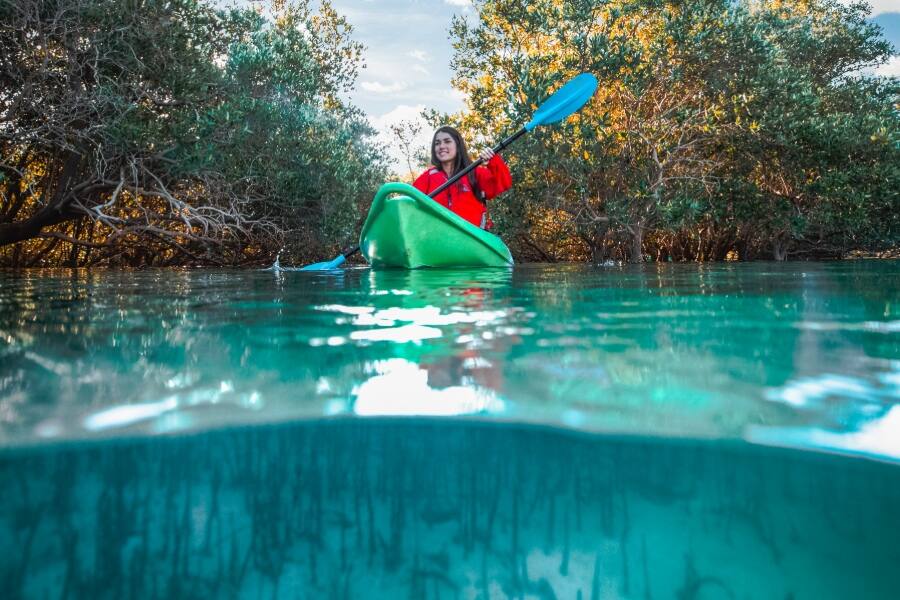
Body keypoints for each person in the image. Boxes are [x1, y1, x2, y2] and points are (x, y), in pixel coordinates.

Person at [413, 126, 512, 229]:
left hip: (470, 239)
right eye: (437, 143)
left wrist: (493, 160)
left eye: (447, 141)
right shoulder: (428, 176)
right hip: (438, 238)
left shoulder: (474, 172)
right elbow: (409, 200)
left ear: (458, 145)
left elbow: (504, 183)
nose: (441, 146)